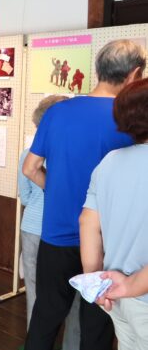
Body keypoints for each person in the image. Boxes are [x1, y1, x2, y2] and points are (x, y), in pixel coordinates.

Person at [23, 40, 146, 350]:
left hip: (56, 235)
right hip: (105, 242)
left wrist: (59, 191)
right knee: (97, 326)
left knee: (45, 316)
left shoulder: (58, 112)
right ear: (134, 74)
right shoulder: (128, 119)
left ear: (98, 69)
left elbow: (30, 168)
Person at [80, 78, 148, 348]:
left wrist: (95, 282)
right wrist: (132, 285)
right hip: (134, 291)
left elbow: (87, 223)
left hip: (116, 295)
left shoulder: (109, 162)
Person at [18, 95, 80, 349]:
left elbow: (25, 196)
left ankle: (35, 342)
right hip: (70, 230)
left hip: (33, 228)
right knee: (75, 295)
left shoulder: (28, 155)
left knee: (35, 292)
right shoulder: (73, 155)